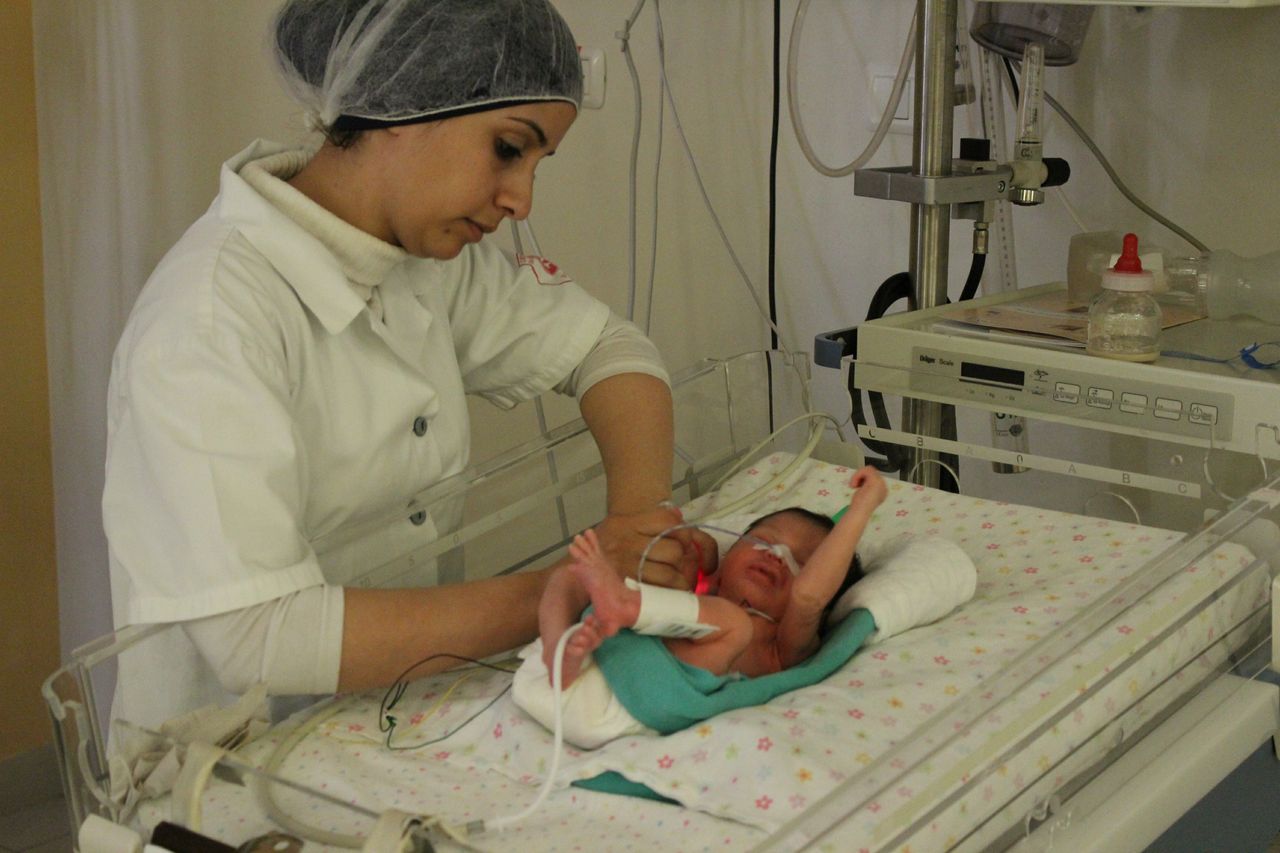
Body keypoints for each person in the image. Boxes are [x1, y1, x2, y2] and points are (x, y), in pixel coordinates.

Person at [102, 0, 708, 732]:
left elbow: (611, 350)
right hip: (226, 767)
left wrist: (639, 521)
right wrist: (573, 584)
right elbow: (258, 639)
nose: (520, 199)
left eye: (539, 163)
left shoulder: (422, 262)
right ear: (401, 104)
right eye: (510, 149)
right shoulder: (210, 321)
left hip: (390, 719)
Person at [510, 467, 889, 748]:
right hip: (557, 679)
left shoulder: (784, 641)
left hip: (621, 710)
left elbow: (808, 596)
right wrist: (696, 544)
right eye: (763, 540)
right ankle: (557, 650)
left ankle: (621, 606)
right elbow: (696, 554)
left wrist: (862, 508)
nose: (775, 555)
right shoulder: (701, 594)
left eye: (801, 563)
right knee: (567, 577)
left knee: (735, 625)